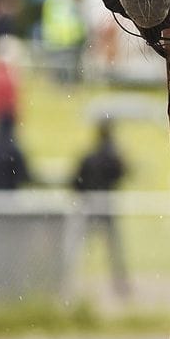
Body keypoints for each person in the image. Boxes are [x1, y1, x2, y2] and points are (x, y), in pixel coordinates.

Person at [72, 118, 129, 296]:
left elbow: (75, 182)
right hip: (105, 206)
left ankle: (73, 284)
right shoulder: (112, 158)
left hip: (90, 205)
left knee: (79, 247)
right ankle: (120, 286)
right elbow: (122, 172)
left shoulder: (89, 157)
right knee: (113, 249)